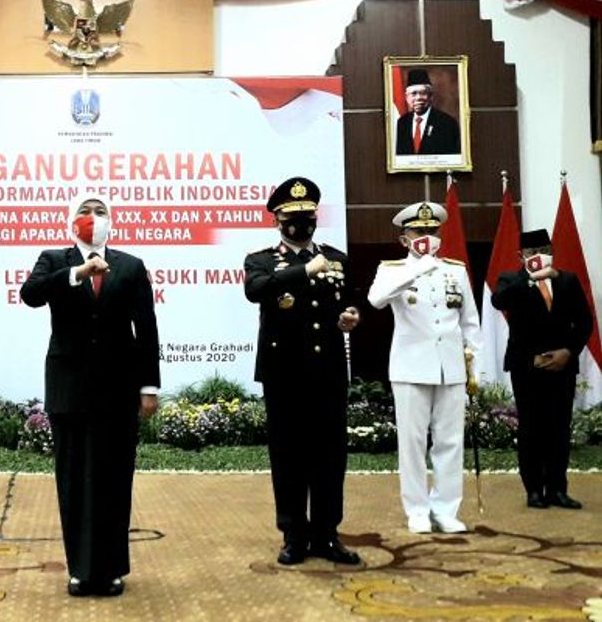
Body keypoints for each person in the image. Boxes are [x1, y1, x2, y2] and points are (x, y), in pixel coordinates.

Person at [20, 193, 160, 597]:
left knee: (115, 481)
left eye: (101, 212)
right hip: (69, 392)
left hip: (119, 390)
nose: (93, 217)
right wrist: (78, 273)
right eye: (85, 211)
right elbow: (30, 295)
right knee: (74, 481)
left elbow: (146, 328)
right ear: (71, 221)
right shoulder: (54, 260)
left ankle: (112, 568)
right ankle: (81, 569)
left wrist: (148, 387)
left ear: (111, 222)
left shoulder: (131, 266)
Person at [244, 177, 361, 566]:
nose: (302, 223)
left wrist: (349, 317)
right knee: (289, 455)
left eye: (308, 215)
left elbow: (349, 303)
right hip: (285, 375)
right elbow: (256, 290)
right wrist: (306, 269)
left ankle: (327, 534)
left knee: (330, 456)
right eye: (293, 217)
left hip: (328, 371)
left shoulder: (337, 257)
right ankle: (294, 534)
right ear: (278, 220)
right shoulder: (261, 260)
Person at [367, 201, 479, 534]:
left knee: (449, 441)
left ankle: (446, 508)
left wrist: (477, 368)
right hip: (411, 367)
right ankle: (416, 510)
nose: (427, 237)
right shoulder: (392, 270)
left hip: (451, 368)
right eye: (419, 232)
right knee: (413, 442)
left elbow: (470, 322)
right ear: (404, 239)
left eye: (432, 231)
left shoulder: (455, 270)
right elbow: (376, 299)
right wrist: (418, 267)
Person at [491, 228, 593, 509]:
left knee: (559, 428)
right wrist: (529, 279)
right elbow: (498, 300)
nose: (539, 256)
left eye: (544, 251)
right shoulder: (511, 280)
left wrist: (568, 352)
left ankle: (558, 489)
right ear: (520, 256)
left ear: (552, 252)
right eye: (532, 252)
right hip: (527, 367)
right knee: (532, 428)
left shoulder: (567, 280)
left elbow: (585, 322)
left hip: (561, 365)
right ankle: (534, 490)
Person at [395, 69, 461, 155]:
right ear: (407, 98)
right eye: (414, 93)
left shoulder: (447, 123)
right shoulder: (401, 123)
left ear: (431, 96)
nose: (418, 98)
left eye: (423, 93)